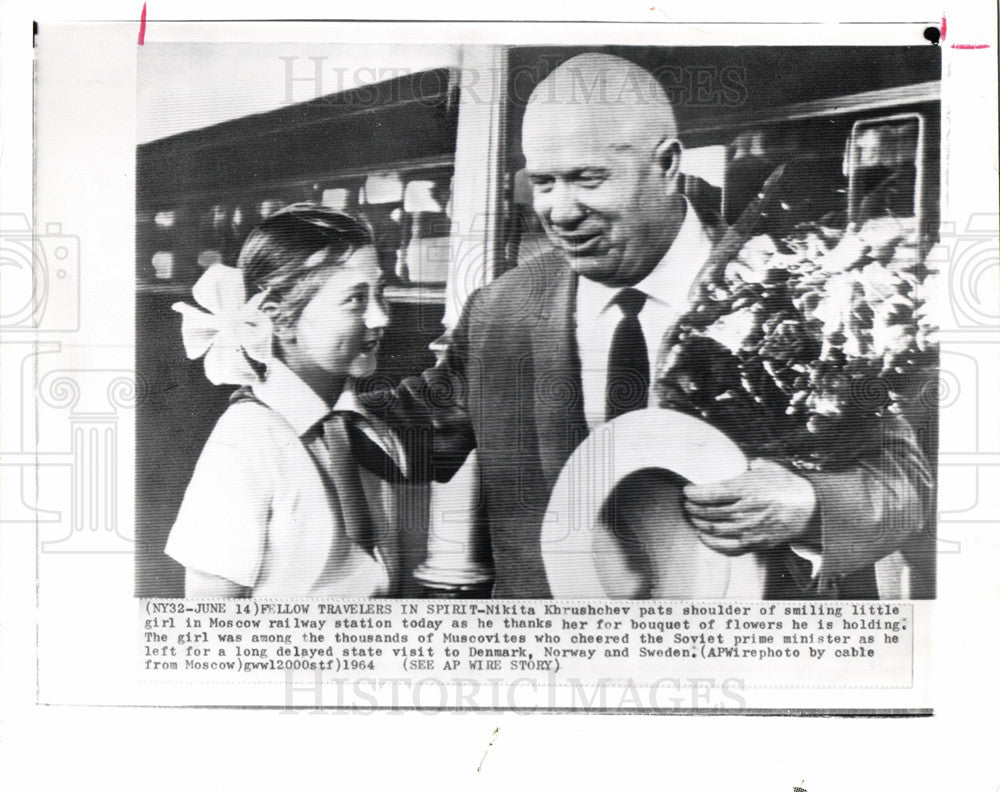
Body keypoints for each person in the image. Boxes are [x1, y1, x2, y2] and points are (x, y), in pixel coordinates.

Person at [364, 53, 931, 599]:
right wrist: (293, 376)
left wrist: (806, 503)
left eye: (588, 178)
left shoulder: (796, 294)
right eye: (543, 183)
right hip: (561, 666)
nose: (560, 211)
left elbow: (905, 482)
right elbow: (408, 436)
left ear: (667, 164)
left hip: (754, 665)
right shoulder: (502, 310)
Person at [165, 204, 404, 597]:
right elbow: (208, 618)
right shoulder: (246, 441)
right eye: (356, 300)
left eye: (381, 293)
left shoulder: (373, 431)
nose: (380, 317)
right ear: (279, 316)